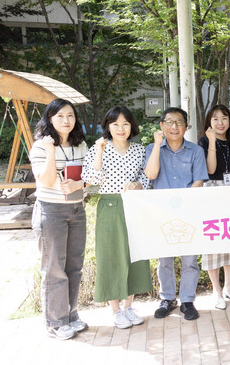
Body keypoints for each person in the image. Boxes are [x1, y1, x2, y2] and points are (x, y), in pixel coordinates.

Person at [82, 106, 152, 329]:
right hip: (110, 205)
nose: (120, 129)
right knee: (111, 255)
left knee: (134, 254)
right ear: (108, 127)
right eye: (115, 124)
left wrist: (139, 184)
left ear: (132, 126)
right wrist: (100, 151)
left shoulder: (139, 150)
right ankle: (115, 310)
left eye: (125, 124)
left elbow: (147, 176)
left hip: (134, 205)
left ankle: (129, 306)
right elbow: (91, 180)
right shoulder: (99, 148)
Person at [29, 98, 89, 340]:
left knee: (74, 266)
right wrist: (52, 150)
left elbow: (92, 177)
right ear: (50, 119)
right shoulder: (40, 147)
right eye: (60, 116)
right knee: (54, 268)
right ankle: (55, 322)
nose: (66, 120)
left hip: (77, 209)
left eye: (70, 115)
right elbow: (45, 180)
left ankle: (71, 315)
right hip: (51, 211)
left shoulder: (80, 145)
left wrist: (79, 184)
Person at [144, 107, 208, 320]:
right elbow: (151, 174)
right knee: (165, 259)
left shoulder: (195, 151)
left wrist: (182, 202)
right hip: (161, 212)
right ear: (161, 125)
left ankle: (187, 300)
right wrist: (157, 145)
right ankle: (167, 298)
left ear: (186, 126)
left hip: (188, 211)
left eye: (179, 122)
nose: (174, 127)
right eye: (169, 122)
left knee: (189, 259)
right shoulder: (152, 149)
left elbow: (199, 181)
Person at [198, 104, 230, 310]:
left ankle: (229, 287)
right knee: (213, 240)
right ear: (209, 121)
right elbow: (210, 169)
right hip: (211, 191)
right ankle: (216, 290)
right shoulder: (203, 141)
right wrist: (210, 141)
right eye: (215, 118)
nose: (220, 122)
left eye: (224, 118)